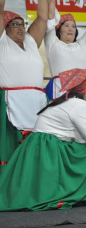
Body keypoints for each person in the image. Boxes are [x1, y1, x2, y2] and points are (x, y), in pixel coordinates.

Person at [0, 68, 86, 211]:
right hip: (48, 147)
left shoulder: (73, 102)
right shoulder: (78, 106)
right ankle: (74, 193)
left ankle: (76, 192)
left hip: (47, 144)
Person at [0, 0, 50, 173]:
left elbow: (42, 18)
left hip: (36, 103)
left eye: (23, 24)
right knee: (12, 146)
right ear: (6, 27)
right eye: (15, 24)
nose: (21, 28)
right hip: (11, 103)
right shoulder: (2, 42)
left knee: (37, 144)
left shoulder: (30, 41)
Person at [45, 0, 86, 100]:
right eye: (66, 25)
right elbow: (50, 18)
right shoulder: (53, 43)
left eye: (73, 26)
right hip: (60, 92)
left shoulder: (82, 45)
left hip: (82, 93)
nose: (70, 29)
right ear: (59, 29)